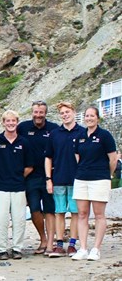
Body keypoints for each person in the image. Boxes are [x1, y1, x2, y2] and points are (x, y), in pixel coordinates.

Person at [70, 107, 118, 261]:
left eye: (92, 116)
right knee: (82, 214)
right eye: (86, 116)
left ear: (97, 118)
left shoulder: (105, 135)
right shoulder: (80, 136)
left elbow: (113, 159)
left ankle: (96, 249)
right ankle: (83, 248)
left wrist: (107, 174)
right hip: (81, 178)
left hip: (100, 179)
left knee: (99, 215)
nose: (89, 118)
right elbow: (78, 157)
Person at [17, 101, 57, 255]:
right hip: (30, 176)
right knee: (34, 209)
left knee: (50, 210)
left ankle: (51, 243)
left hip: (49, 176)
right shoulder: (23, 128)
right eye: (36, 112)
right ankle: (43, 239)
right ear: (32, 112)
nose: (38, 115)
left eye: (41, 112)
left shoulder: (53, 129)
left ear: (45, 113)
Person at [0, 110, 34, 260]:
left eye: (13, 121)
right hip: (0, 186)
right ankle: (2, 249)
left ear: (17, 122)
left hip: (18, 186)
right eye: (7, 121)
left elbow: (30, 166)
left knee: (19, 219)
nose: (10, 123)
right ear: (3, 123)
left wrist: (17, 176)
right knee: (1, 219)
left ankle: (17, 248)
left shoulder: (24, 142)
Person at [45, 102, 84, 257]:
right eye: (62, 113)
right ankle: (59, 244)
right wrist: (49, 179)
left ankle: (73, 244)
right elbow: (48, 157)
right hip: (58, 178)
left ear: (74, 112)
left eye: (67, 112)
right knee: (59, 212)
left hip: (78, 180)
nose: (65, 115)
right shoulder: (54, 134)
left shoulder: (82, 132)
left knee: (75, 212)